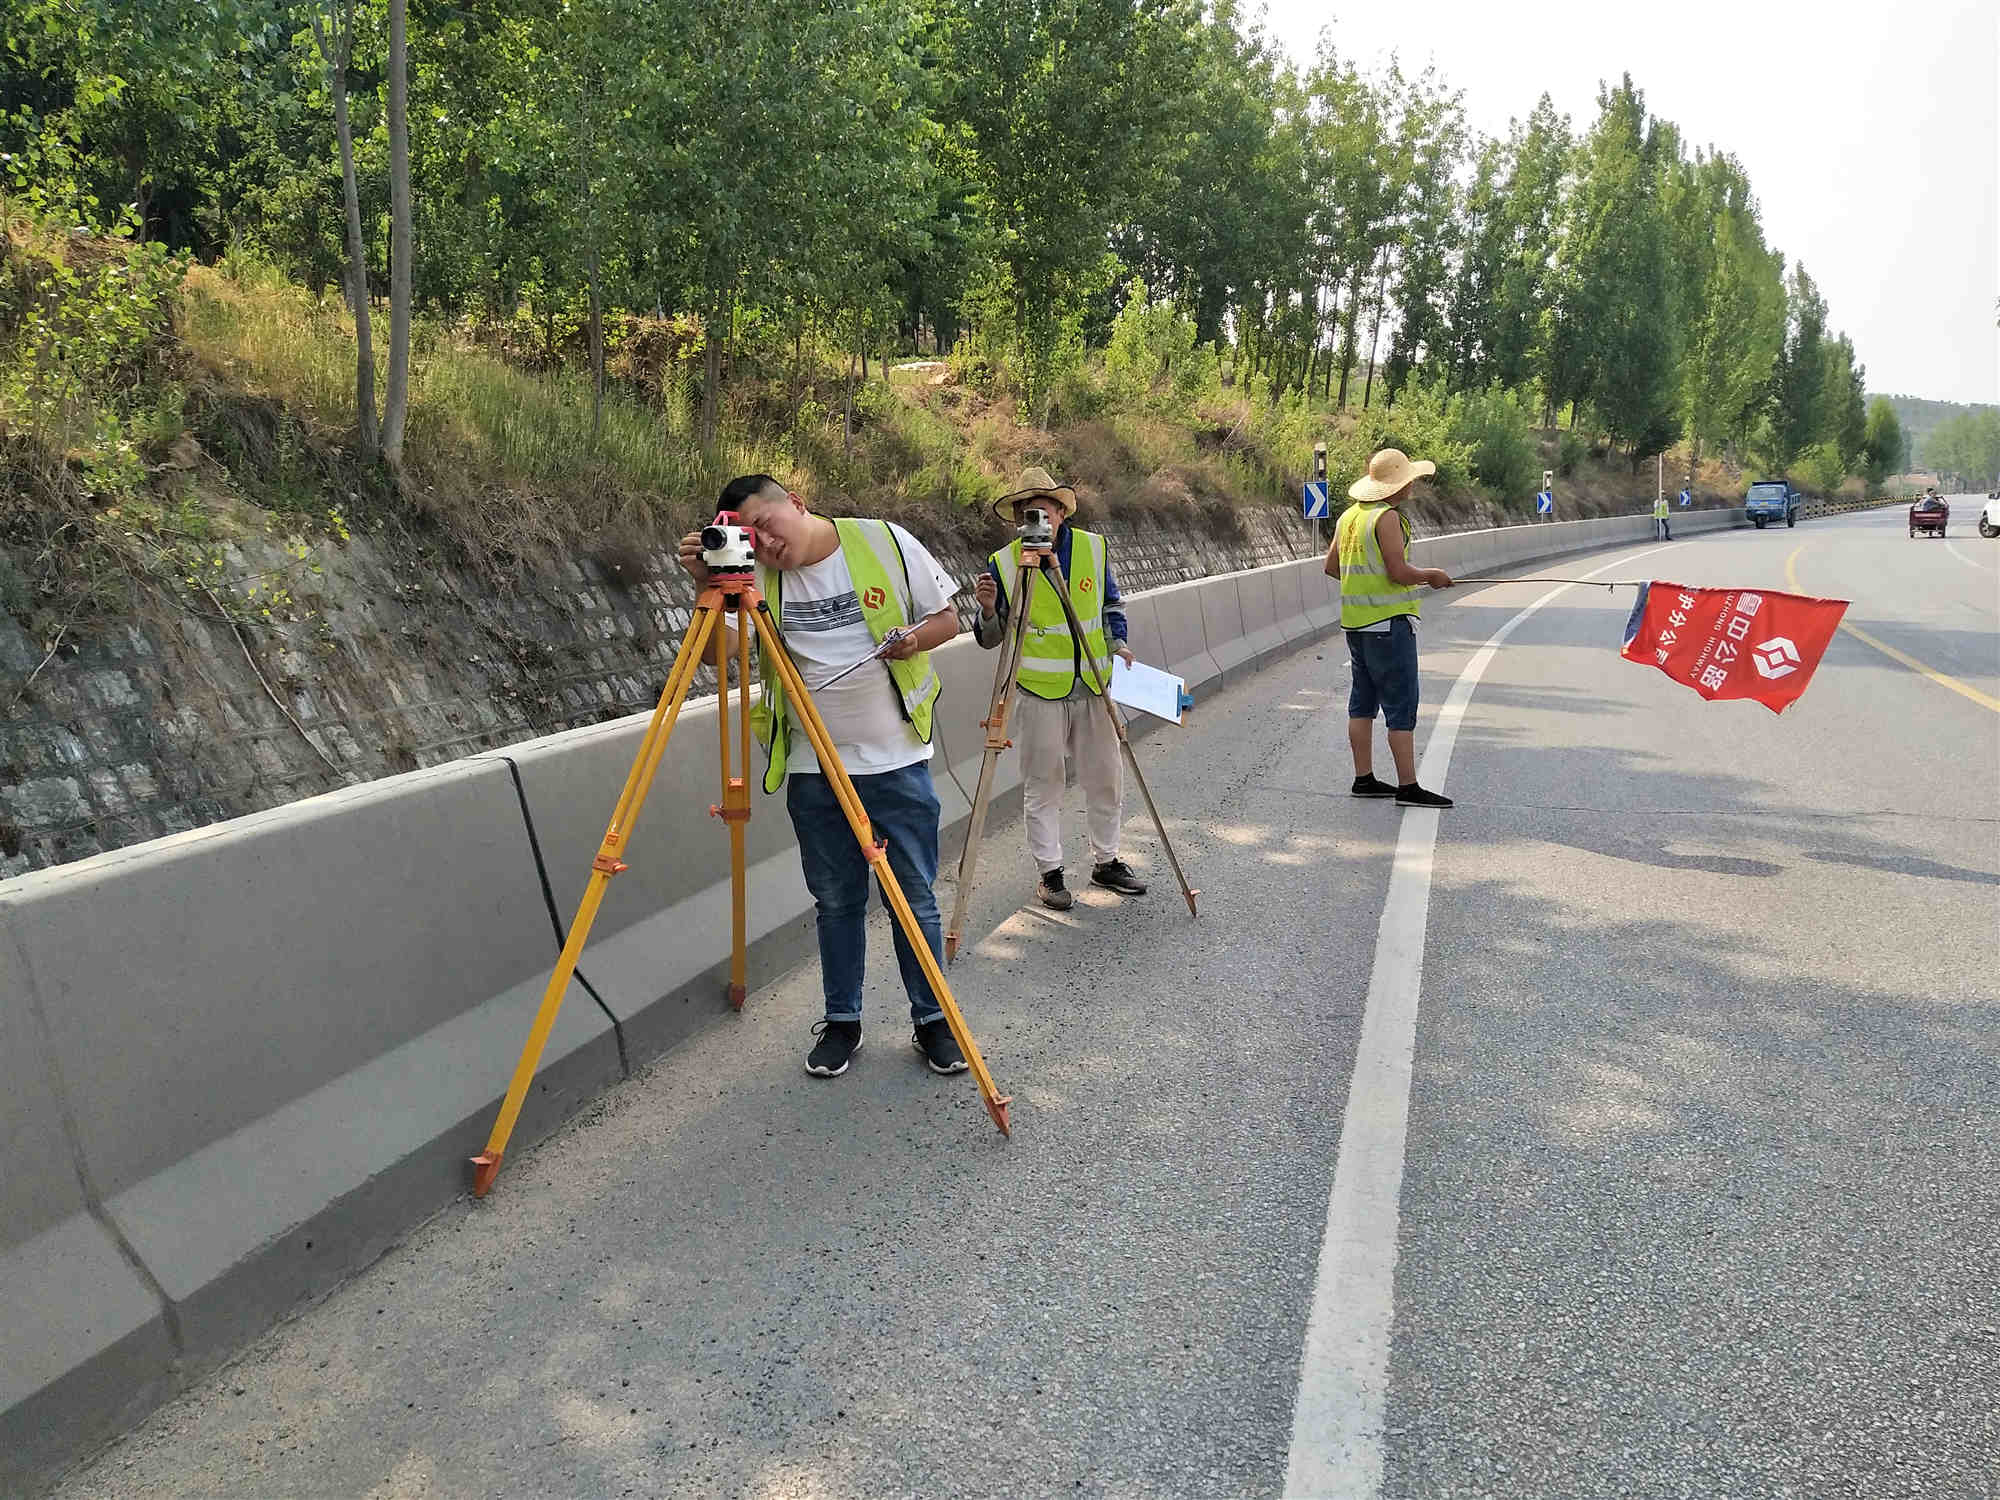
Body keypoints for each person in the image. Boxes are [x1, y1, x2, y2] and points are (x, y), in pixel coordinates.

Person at [677, 475, 966, 1081]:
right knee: (836, 901)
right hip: (813, 767)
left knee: (913, 896)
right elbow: (719, 657)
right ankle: (842, 1021)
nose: (765, 543)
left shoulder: (883, 541)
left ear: (797, 503)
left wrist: (911, 640)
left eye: (767, 524)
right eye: (749, 536)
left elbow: (948, 619)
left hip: (895, 761)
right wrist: (708, 584)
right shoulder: (754, 575)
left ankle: (933, 1021)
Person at [972, 467, 1147, 911]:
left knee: (1106, 778)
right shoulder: (1005, 562)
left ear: (1061, 512)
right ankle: (1050, 874)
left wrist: (1119, 644)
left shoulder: (1093, 548)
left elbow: (1110, 604)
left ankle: (1106, 861)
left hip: (1092, 685)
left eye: (1043, 509)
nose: (1036, 518)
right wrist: (988, 610)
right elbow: (992, 638)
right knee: (1043, 785)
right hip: (1038, 691)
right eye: (1026, 512)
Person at [1324, 448, 1456, 809]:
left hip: (1356, 625)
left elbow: (1332, 567)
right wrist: (1432, 576)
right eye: (1408, 478)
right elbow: (1398, 572)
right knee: (1400, 705)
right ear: (1398, 484)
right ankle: (1408, 787)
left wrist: (1363, 584)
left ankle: (1363, 779)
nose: (1412, 484)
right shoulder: (1387, 518)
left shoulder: (1350, 516)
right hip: (1389, 625)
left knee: (1362, 704)